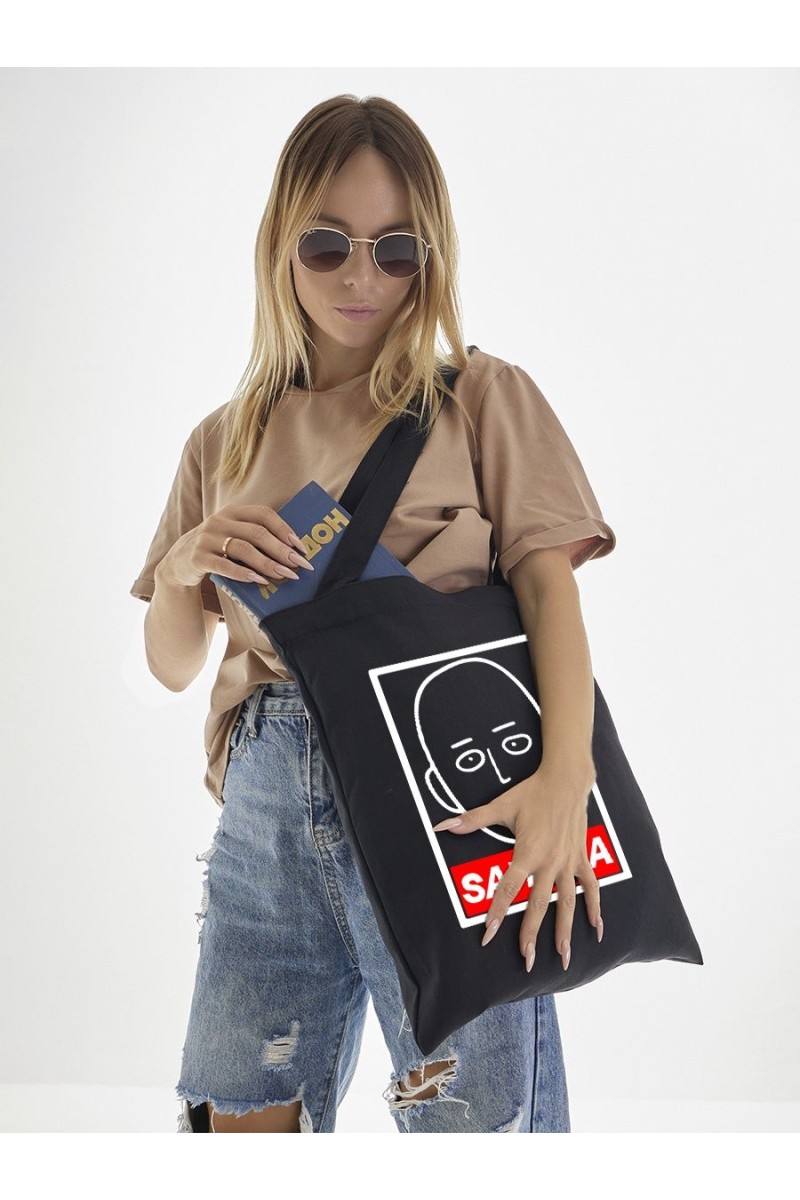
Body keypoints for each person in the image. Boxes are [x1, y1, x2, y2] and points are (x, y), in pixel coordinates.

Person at [130, 94, 617, 1134]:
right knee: (236, 1115)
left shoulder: (481, 397)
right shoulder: (223, 437)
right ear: (280, 242)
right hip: (265, 807)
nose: (361, 278)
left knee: (472, 1126)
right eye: (327, 245)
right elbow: (172, 666)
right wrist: (180, 565)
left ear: (429, 258)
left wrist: (564, 782)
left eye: (396, 250)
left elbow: (549, 592)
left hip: (445, 791)